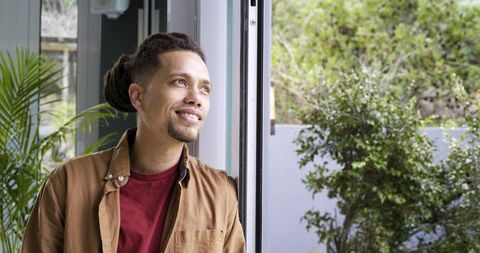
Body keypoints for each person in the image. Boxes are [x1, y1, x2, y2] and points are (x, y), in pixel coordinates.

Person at [22, 32, 246, 253]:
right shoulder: (69, 182)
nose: (196, 98)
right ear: (138, 96)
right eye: (180, 82)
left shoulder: (220, 193)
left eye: (204, 89)